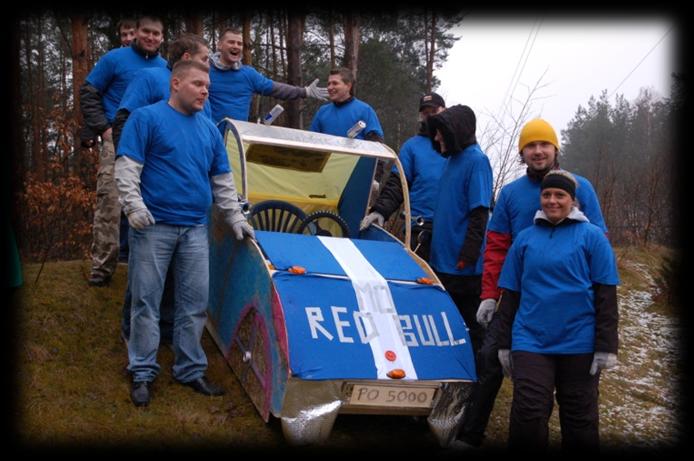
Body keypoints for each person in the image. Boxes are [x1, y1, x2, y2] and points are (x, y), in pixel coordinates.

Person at [455, 118, 607, 448]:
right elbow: (495, 248)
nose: (538, 151)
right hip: (516, 298)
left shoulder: (582, 187)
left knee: (577, 402)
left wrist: (602, 315)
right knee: (491, 361)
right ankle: (470, 433)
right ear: (522, 153)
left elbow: (599, 247)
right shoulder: (510, 194)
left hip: (571, 306)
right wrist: (489, 296)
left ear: (556, 149)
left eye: (544, 145)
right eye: (530, 146)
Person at [115, 60, 255, 406]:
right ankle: (142, 371)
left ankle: (189, 369)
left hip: (195, 228)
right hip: (153, 227)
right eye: (197, 84)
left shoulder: (208, 130)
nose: (205, 90)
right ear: (175, 84)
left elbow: (222, 180)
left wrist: (235, 218)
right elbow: (127, 168)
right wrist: (133, 206)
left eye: (207, 86)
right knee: (146, 301)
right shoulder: (145, 118)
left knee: (194, 304)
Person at [494, 169, 619, 451]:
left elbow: (606, 295)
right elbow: (510, 294)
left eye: (559, 195)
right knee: (529, 411)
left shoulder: (593, 238)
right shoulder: (524, 239)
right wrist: (504, 344)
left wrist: (606, 346)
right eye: (547, 195)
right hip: (531, 340)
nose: (552, 200)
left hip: (579, 341)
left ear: (572, 200)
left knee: (579, 416)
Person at [113, 33, 212, 346]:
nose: (209, 68)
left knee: (178, 282)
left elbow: (202, 140)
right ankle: (134, 337)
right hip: (152, 201)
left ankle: (168, 335)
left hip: (189, 211)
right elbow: (125, 123)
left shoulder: (202, 94)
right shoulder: (148, 79)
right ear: (185, 60)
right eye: (205, 59)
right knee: (145, 283)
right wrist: (133, 194)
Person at [80, 15, 167, 286]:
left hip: (151, 146)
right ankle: (102, 267)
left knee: (147, 202)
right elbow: (88, 92)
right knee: (110, 202)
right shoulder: (114, 59)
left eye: (156, 33)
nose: (150, 37)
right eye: (146, 32)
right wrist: (103, 128)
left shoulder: (166, 67)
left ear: (162, 37)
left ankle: (139, 266)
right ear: (136, 33)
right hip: (116, 140)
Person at [426, 104, 493, 359]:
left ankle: (476, 377)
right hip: (442, 260)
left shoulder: (477, 160)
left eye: (441, 131)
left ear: (457, 131)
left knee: (472, 328)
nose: (436, 137)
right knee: (446, 324)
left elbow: (480, 213)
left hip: (464, 266)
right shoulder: (452, 160)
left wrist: (469, 253)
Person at [359, 92, 446, 261]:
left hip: (453, 229)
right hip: (420, 228)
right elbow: (398, 184)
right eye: (425, 113)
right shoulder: (412, 147)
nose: (429, 117)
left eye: (433, 111)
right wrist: (380, 211)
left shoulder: (458, 145)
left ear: (445, 110)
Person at [208, 28, 327, 124]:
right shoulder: (205, 70)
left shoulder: (248, 74)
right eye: (231, 42)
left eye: (239, 44)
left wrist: (304, 91)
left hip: (235, 139)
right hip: (209, 136)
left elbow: (276, 89)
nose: (236, 46)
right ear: (220, 45)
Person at [310, 67, 387, 182]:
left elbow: (377, 147)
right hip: (325, 176)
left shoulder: (365, 110)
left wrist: (375, 179)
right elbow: (310, 144)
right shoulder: (322, 112)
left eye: (335, 83)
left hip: (355, 177)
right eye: (329, 83)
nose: (330, 87)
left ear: (348, 86)